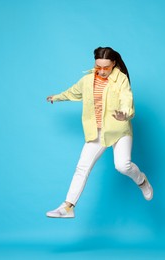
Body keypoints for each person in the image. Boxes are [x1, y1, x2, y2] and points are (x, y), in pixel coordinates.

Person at [46, 47, 153, 218]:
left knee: (122, 166)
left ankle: (142, 180)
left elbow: (127, 98)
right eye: (98, 67)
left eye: (106, 68)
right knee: (82, 167)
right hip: (97, 132)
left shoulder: (121, 79)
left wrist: (124, 113)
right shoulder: (87, 80)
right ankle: (67, 207)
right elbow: (73, 92)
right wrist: (57, 97)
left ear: (114, 64)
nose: (102, 71)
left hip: (119, 129)